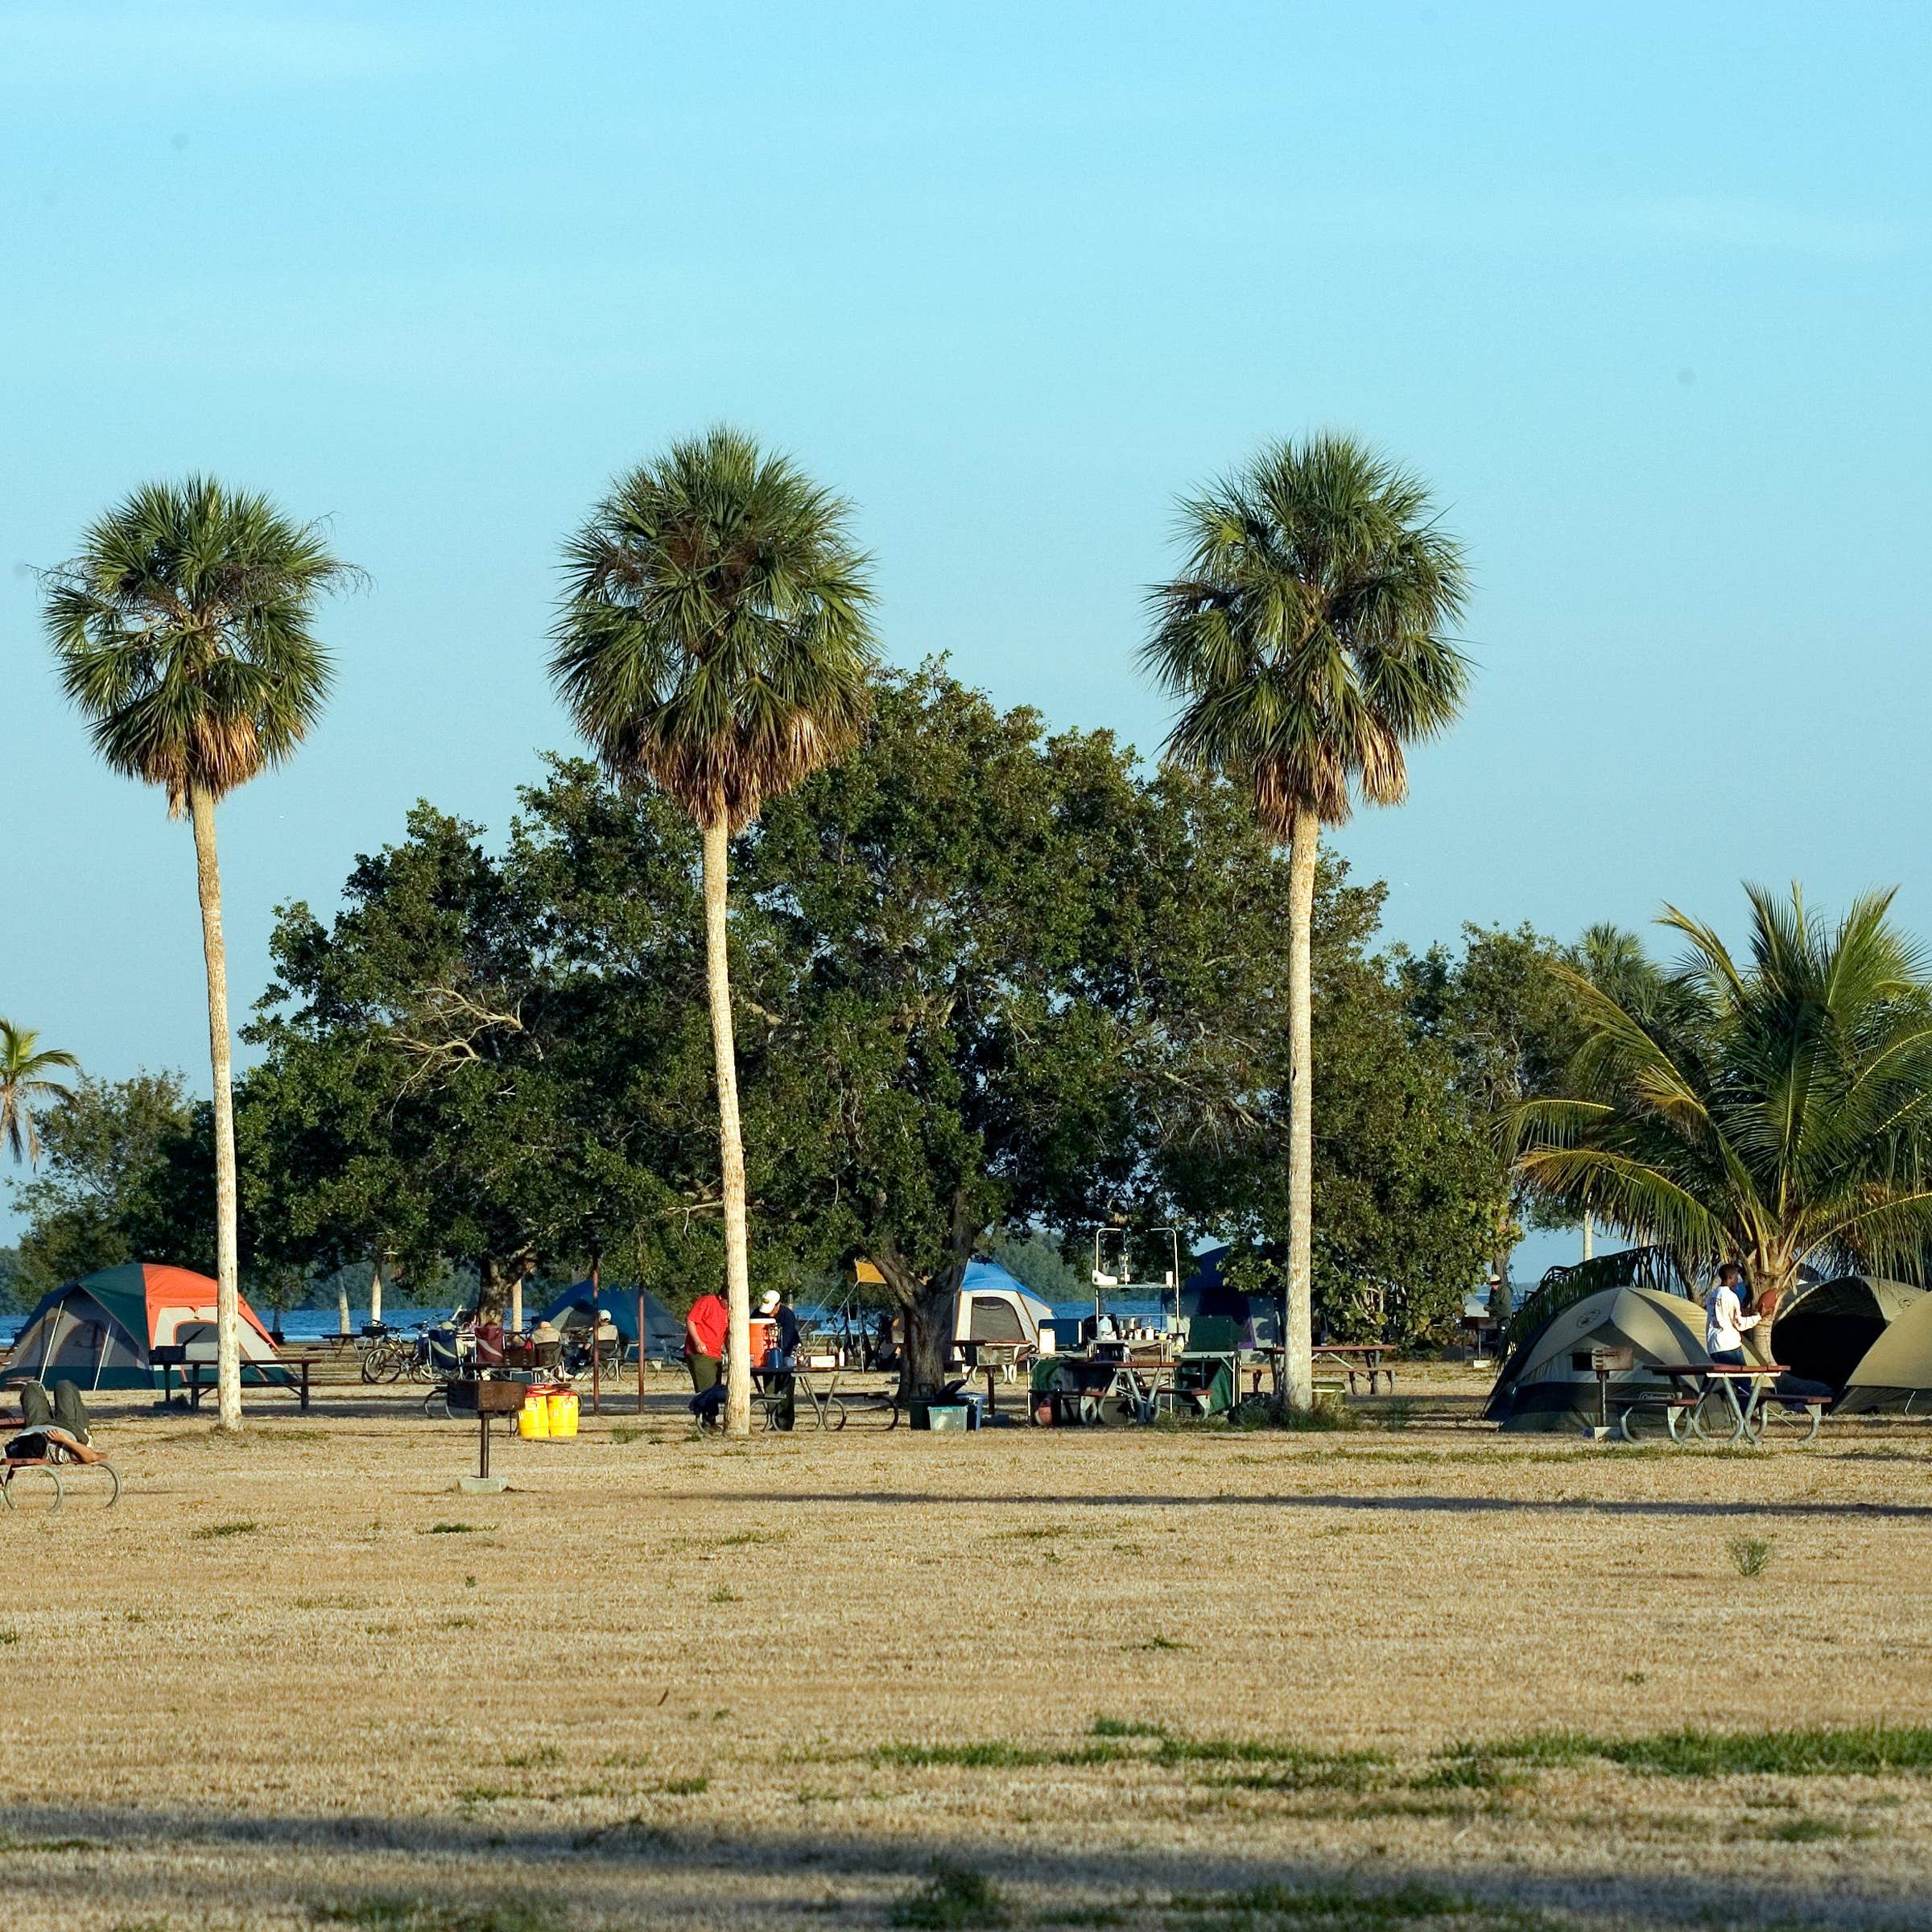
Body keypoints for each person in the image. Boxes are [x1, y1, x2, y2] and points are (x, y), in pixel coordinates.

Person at [1704, 1262, 1761, 1368]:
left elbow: (1723, 1314)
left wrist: (1747, 1312)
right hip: (1728, 1345)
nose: (1737, 1279)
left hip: (1713, 1345)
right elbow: (1739, 1324)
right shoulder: (1730, 1296)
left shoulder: (1712, 1295)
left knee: (1725, 1379)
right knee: (1743, 1380)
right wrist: (1758, 1317)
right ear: (1730, 1277)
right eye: (1736, 1276)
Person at [685, 1284, 729, 1418]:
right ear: (721, 1297)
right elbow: (691, 1320)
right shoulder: (707, 1301)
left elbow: (727, 1333)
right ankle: (706, 1419)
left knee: (716, 1388)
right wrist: (698, 1341)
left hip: (716, 1354)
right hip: (701, 1353)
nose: (728, 1305)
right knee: (707, 1388)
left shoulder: (730, 1310)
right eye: (727, 1301)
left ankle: (710, 1419)